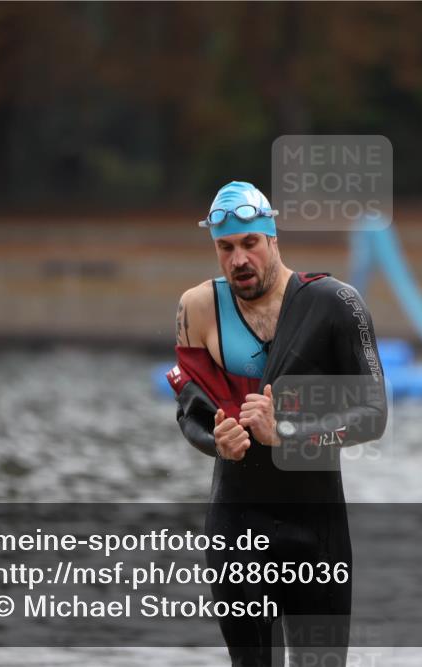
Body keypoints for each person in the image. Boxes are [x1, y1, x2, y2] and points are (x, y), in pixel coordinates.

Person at [166, 181, 387, 666]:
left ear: (272, 239)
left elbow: (373, 416)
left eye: (250, 244)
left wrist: (285, 432)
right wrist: (216, 442)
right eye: (225, 248)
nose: (238, 259)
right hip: (237, 527)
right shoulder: (197, 309)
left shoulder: (336, 304)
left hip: (317, 530)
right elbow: (191, 411)